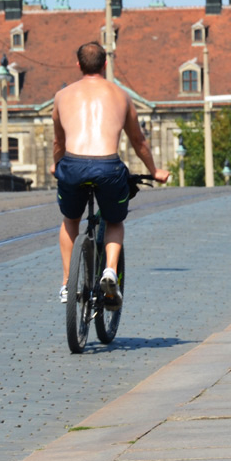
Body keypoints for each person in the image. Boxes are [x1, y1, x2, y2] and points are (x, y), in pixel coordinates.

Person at [52, 42, 170, 304]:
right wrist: (155, 170)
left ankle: (65, 284)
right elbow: (139, 141)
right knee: (113, 220)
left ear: (78, 65)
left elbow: (58, 142)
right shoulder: (121, 96)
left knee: (70, 219)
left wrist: (56, 164)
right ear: (105, 65)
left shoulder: (62, 96)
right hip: (108, 167)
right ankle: (110, 270)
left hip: (72, 165)